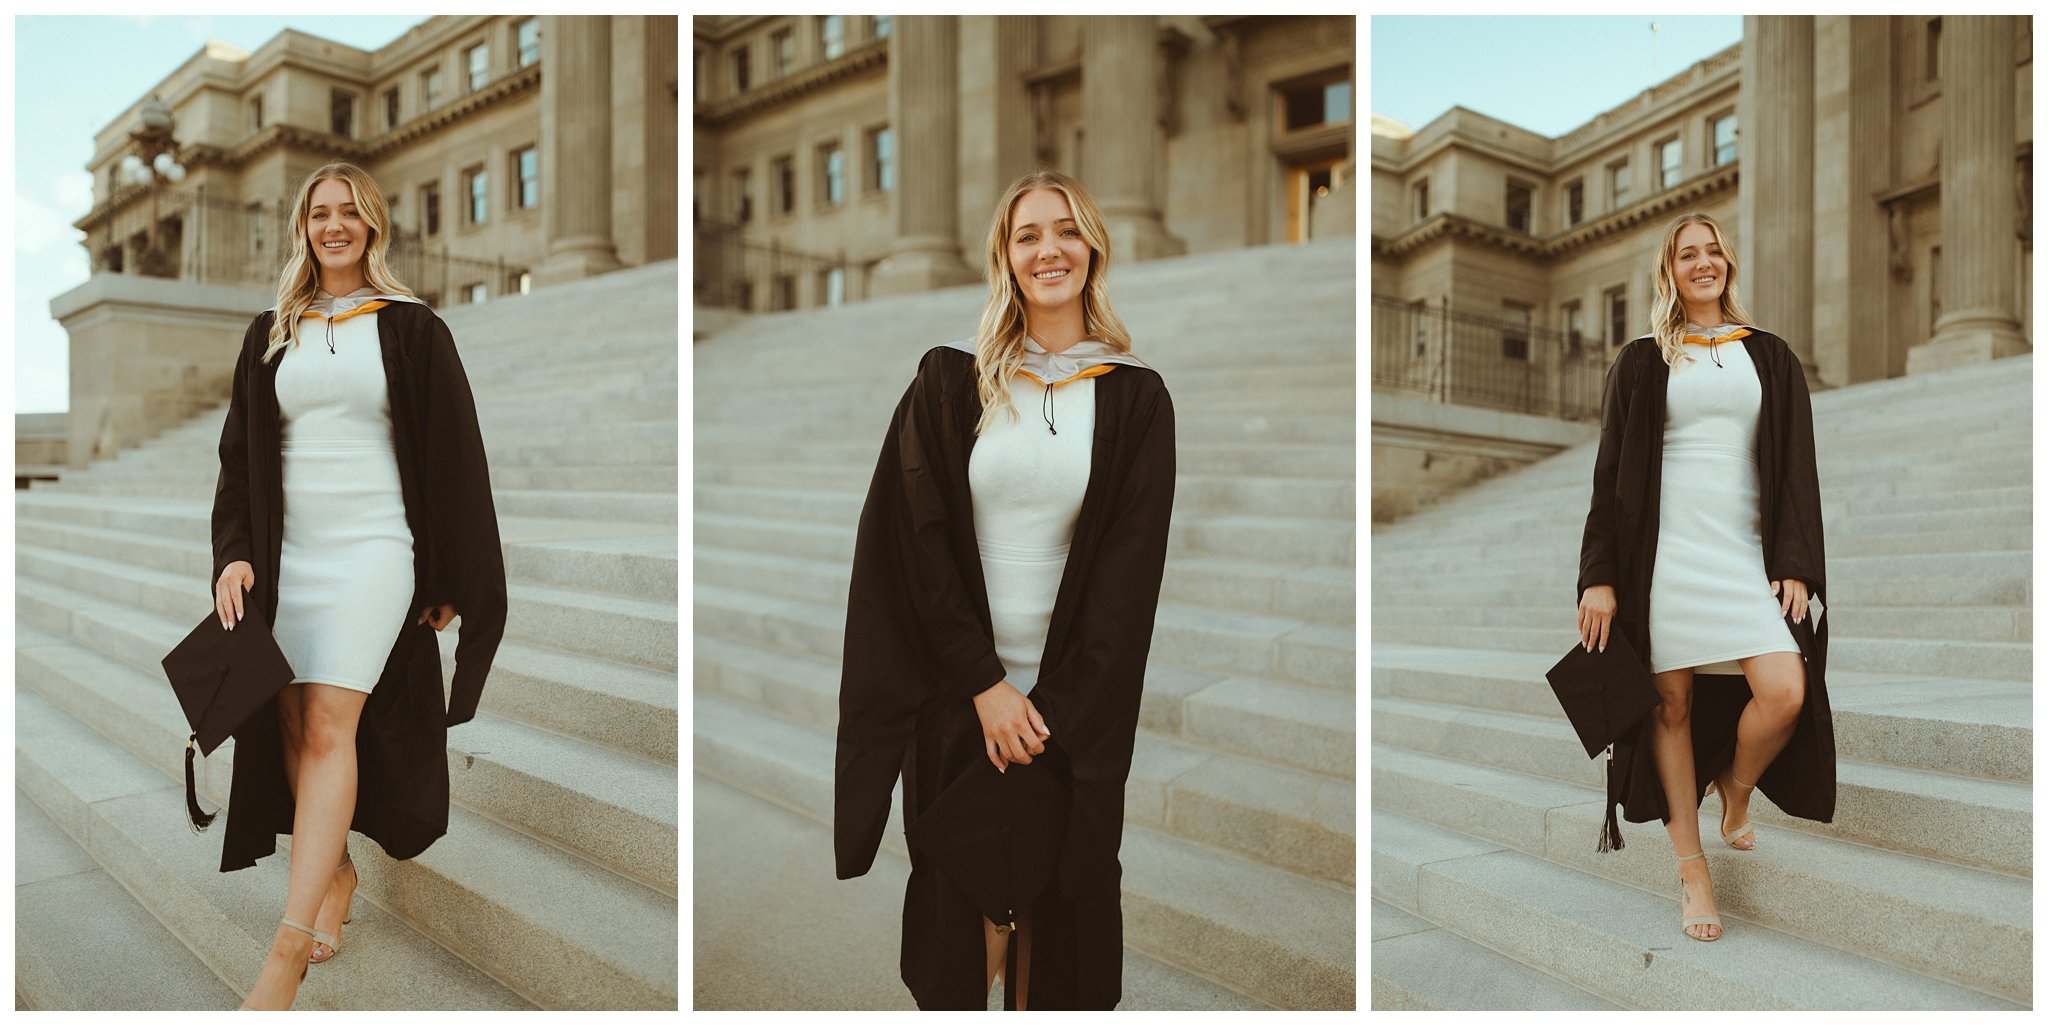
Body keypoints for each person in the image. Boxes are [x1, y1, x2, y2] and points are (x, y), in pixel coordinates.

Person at [834, 169, 1176, 1009]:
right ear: (1005, 258)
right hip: (961, 704)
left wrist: (1046, 712)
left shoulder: (1135, 399)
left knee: (1058, 928)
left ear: (1092, 246)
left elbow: (1127, 587)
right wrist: (985, 686)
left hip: (1073, 715)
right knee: (964, 928)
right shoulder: (952, 387)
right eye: (1027, 235)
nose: (1048, 248)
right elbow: (918, 548)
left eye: (1065, 230)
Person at [208, 162, 506, 1009]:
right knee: (297, 724)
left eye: (348, 213)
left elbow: (456, 460)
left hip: (376, 547)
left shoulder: (412, 328)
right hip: (290, 553)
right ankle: (332, 872)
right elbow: (239, 457)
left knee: (332, 723)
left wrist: (450, 572)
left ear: (371, 225)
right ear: (302, 227)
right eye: (318, 214)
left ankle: (284, 953)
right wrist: (234, 551)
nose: (332, 226)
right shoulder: (272, 330)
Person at [1576, 211, 1835, 943]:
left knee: (1784, 690)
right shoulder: (1641, 361)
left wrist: (1795, 562)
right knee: (1670, 711)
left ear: (1729, 264)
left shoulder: (1771, 357)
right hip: (1664, 562)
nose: (1703, 262)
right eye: (1688, 254)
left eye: (1713, 251)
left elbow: (1796, 472)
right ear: (1670, 271)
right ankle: (1693, 873)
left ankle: (1739, 791)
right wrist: (1598, 576)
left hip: (1742, 556)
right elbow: (1607, 480)